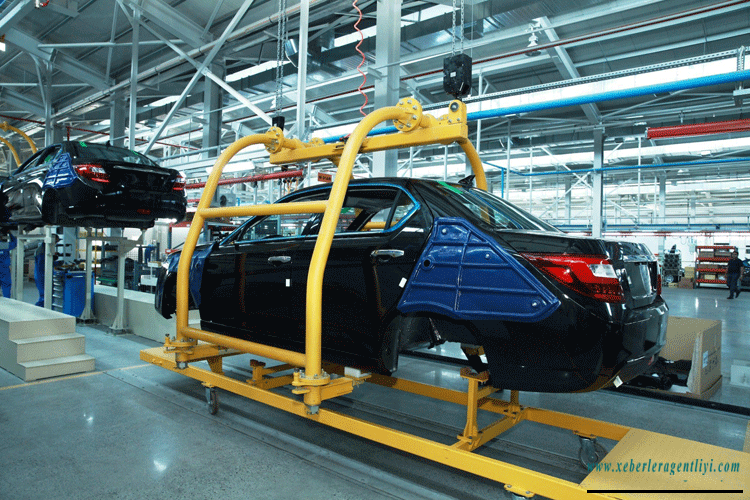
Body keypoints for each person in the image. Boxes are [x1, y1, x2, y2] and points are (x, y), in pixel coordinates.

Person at [34, 235, 59, 307]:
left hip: (44, 275)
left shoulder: (45, 248)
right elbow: (43, 265)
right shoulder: (42, 251)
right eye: (55, 242)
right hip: (41, 276)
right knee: (45, 296)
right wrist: (56, 263)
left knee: (48, 295)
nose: (55, 244)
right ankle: (38, 310)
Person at [0, 230, 17, 298]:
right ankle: (7, 301)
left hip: (4, 269)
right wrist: (10, 233)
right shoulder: (5, 245)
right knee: (6, 285)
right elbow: (15, 243)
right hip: (4, 269)